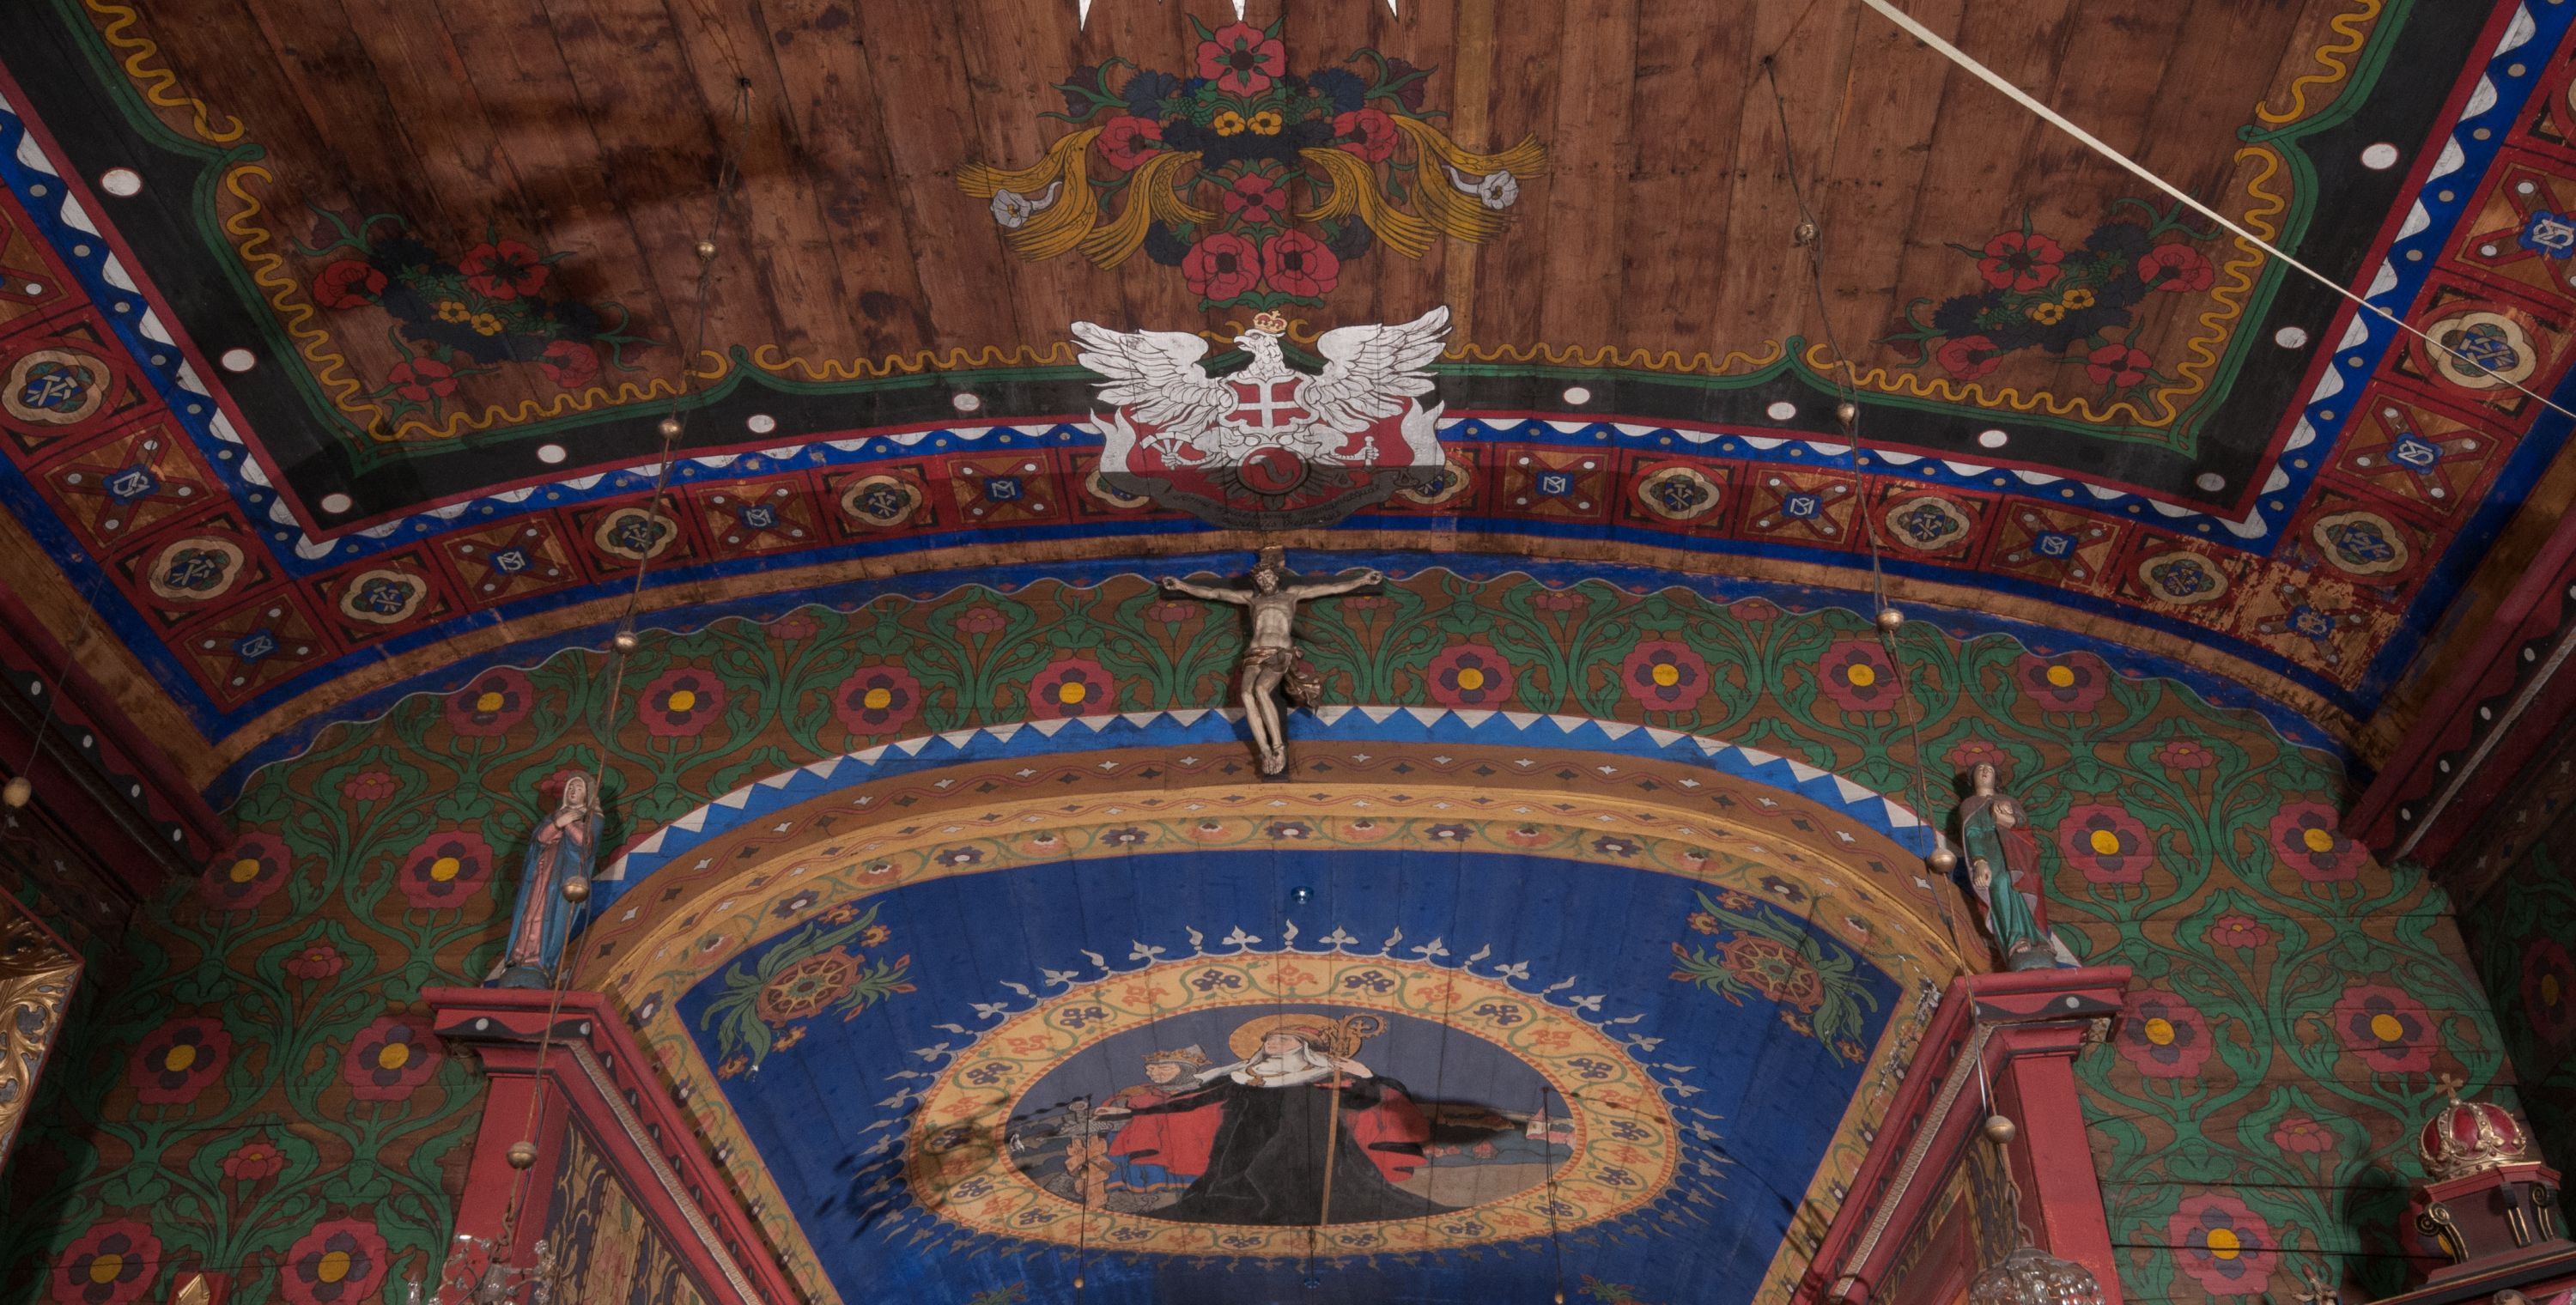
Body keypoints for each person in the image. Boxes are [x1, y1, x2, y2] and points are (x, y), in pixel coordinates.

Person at [1092, 1015, 1449, 1225]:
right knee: (1233, 1181)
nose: (1275, 1044)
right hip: (1241, 1140)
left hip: (1308, 1142)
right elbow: (1192, 1100)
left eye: (1284, 1039)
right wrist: (1133, 1111)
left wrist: (1366, 1075)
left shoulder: (1326, 1073)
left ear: (1302, 1046)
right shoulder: (1245, 1075)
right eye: (1271, 1039)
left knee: (1275, 1171)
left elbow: (1366, 1101)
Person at [1158, 550, 1382, 774]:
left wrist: (1362, 581)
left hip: (1279, 652)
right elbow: (1215, 593)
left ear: (1276, 577)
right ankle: (1264, 750)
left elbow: (1331, 588)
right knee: (1246, 694)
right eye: (1260, 579)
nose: (1264, 581)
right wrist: (1181, 585)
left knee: (1261, 690)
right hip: (1255, 652)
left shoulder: (1292, 594)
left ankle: (1278, 747)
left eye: (1268, 576)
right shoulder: (1252, 599)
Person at [488, 773, 602, 987]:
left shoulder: (592, 818)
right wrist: (559, 822)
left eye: (579, 788)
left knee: (551, 915)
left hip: (563, 878)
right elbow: (540, 839)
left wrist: (568, 824)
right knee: (531, 912)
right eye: (570, 787)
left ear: (588, 794)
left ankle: (540, 961)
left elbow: (585, 844)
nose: (573, 791)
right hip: (541, 872)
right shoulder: (554, 816)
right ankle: (519, 957)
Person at [1955, 762, 2065, 972]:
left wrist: (2010, 817)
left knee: (2025, 887)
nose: (1985, 772)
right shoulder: (1970, 803)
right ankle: (2015, 939)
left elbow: (2022, 824)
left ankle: (2038, 940)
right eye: (1980, 769)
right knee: (2001, 883)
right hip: (1991, 850)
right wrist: (1979, 861)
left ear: (1996, 778)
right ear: (1972, 779)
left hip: (2017, 851)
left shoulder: (2010, 800)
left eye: (1989, 769)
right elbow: (1972, 832)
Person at [1098, 1047, 1222, 1198]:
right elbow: (1118, 1103)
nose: (1153, 1073)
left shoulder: (1209, 1092)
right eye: (1150, 1069)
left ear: (1186, 1070)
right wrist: (1124, 1104)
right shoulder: (1146, 1090)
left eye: (1164, 1068)